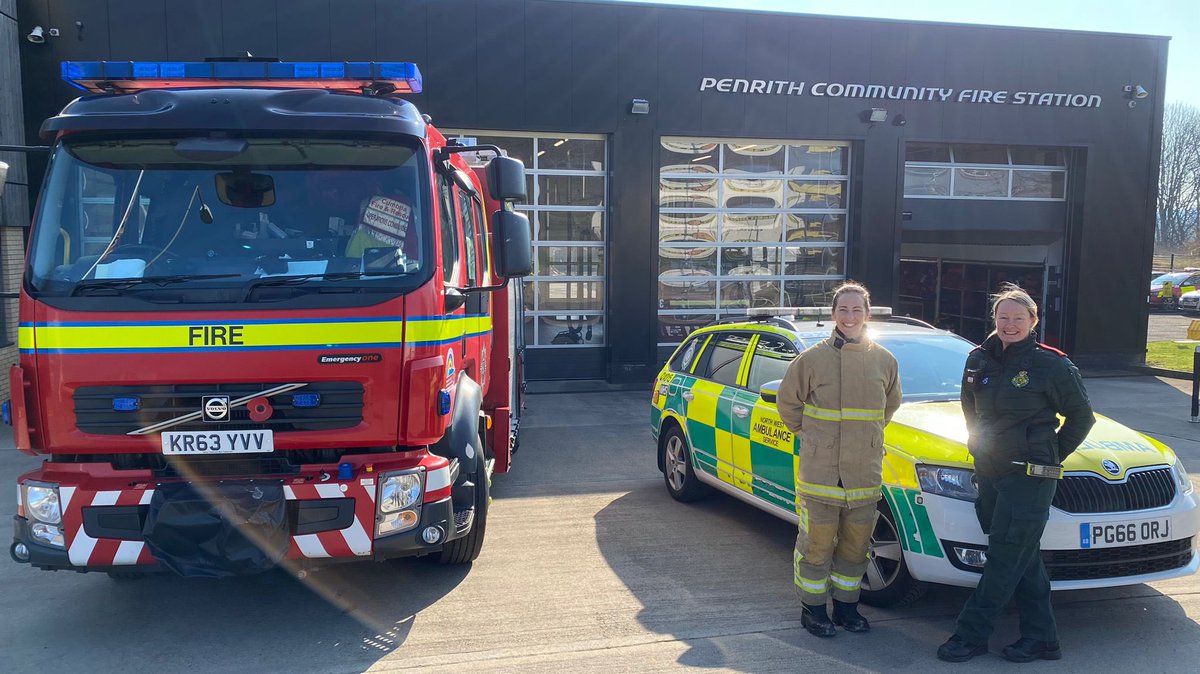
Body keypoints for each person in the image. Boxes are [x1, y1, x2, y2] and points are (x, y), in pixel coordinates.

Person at [937, 284, 1095, 663]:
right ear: (994, 320)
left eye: (1018, 318)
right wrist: (979, 446)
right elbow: (969, 408)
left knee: (1006, 554)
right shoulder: (977, 359)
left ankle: (970, 634)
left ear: (1033, 321)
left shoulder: (1052, 364)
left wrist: (1049, 454)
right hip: (990, 470)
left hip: (1031, 475)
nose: (1009, 325)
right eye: (1003, 317)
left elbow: (1081, 417)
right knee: (1022, 555)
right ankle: (1043, 639)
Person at [776, 281, 902, 637]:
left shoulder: (884, 360)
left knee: (856, 546)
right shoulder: (812, 359)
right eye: (843, 310)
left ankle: (848, 609)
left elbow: (889, 406)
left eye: (857, 310)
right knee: (816, 544)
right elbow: (788, 404)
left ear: (867, 314)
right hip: (822, 474)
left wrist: (868, 439)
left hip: (863, 474)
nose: (850, 316)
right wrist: (812, 437)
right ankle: (813, 610)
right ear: (833, 314)